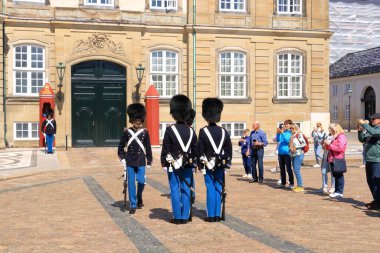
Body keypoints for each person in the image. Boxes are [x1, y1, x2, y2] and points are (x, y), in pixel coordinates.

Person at [161, 95, 198, 224]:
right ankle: (184, 216)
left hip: (173, 164)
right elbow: (195, 150)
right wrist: (194, 162)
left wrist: (164, 163)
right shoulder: (192, 131)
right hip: (187, 164)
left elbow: (166, 148)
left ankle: (177, 217)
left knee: (175, 189)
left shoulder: (170, 130)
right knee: (186, 188)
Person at [198, 98, 232, 222]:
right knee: (218, 187)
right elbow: (229, 149)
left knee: (210, 188)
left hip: (208, 164)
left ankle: (211, 215)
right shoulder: (223, 131)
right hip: (220, 164)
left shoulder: (203, 131)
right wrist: (227, 163)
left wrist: (200, 165)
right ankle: (217, 214)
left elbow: (200, 149)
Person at [118, 103, 152, 214]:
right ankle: (133, 204)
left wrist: (149, 160)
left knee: (141, 181)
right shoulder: (127, 132)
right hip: (130, 160)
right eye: (136, 120)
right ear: (132, 120)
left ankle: (139, 195)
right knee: (131, 183)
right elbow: (120, 146)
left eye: (139, 121)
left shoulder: (145, 133)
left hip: (141, 160)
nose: (138, 123)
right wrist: (122, 158)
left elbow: (148, 147)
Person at [358, 113, 380, 210]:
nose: (372, 121)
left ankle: (378, 201)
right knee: (370, 180)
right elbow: (362, 139)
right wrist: (360, 131)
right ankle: (376, 199)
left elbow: (373, 133)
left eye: (374, 119)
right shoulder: (371, 129)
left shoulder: (377, 129)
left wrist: (364, 124)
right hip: (369, 159)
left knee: (376, 180)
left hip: (377, 159)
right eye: (371, 119)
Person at [325, 124, 347, 198]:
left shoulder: (341, 137)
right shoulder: (335, 137)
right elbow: (330, 148)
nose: (331, 130)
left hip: (337, 158)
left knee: (339, 175)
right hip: (332, 158)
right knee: (335, 175)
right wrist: (326, 144)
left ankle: (340, 192)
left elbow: (340, 148)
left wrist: (330, 145)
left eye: (332, 129)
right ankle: (337, 191)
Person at [276, 119, 294, 188]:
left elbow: (287, 140)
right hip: (281, 152)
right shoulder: (283, 131)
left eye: (287, 124)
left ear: (290, 125)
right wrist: (278, 133)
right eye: (285, 124)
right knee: (282, 169)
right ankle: (283, 183)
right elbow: (278, 140)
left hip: (287, 153)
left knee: (289, 169)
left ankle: (291, 183)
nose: (285, 125)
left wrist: (282, 133)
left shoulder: (290, 132)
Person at [289, 124, 306, 192]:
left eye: (292, 128)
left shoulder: (299, 134)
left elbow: (303, 143)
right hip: (293, 154)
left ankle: (300, 186)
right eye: (290, 128)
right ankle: (299, 185)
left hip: (298, 154)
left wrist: (296, 146)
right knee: (295, 170)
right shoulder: (292, 135)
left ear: (296, 128)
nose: (291, 129)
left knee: (296, 170)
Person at [319, 124, 335, 194]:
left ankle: (333, 187)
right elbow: (324, 147)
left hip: (332, 156)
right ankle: (324, 187)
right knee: (323, 171)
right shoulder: (327, 136)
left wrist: (328, 144)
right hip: (325, 156)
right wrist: (323, 144)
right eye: (329, 128)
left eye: (330, 128)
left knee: (332, 172)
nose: (329, 130)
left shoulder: (336, 137)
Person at [186, 109, 197, 207]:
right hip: (191, 158)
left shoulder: (190, 131)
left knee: (190, 177)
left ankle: (192, 194)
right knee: (191, 177)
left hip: (188, 158)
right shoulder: (192, 131)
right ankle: (192, 195)